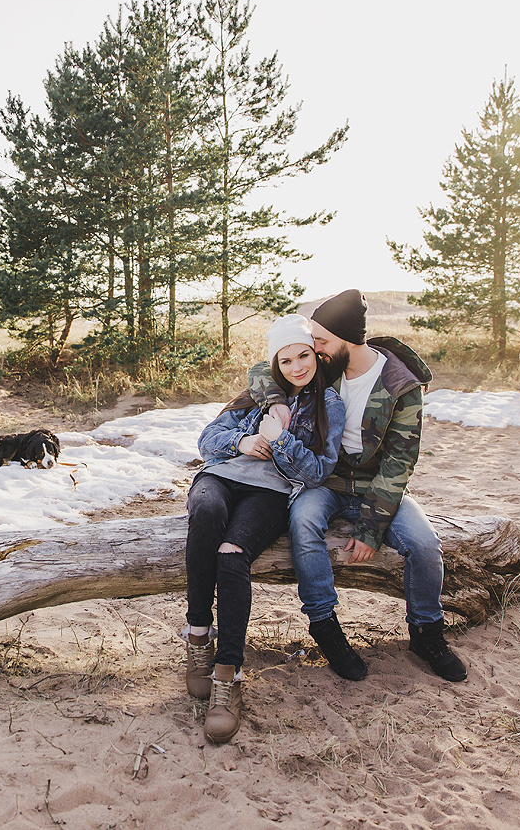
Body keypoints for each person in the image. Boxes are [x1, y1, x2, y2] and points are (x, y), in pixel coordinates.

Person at [246, 289, 467, 684]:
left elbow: (400, 463)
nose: (314, 348)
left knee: (424, 544)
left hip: (376, 485)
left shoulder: (401, 385)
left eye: (321, 340)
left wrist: (370, 529)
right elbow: (263, 370)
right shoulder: (326, 365)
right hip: (327, 479)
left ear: (348, 340)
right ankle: (325, 626)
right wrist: (277, 401)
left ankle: (427, 632)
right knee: (303, 523)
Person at [183, 315, 345, 743]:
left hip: (270, 494)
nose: (297, 367)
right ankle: (199, 635)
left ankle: (227, 673)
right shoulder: (256, 394)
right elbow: (206, 440)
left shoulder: (330, 405)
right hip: (220, 477)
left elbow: (316, 472)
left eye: (303, 356)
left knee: (232, 554)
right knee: (204, 517)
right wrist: (241, 442)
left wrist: (280, 440)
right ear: (275, 363)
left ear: (315, 355)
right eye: (286, 359)